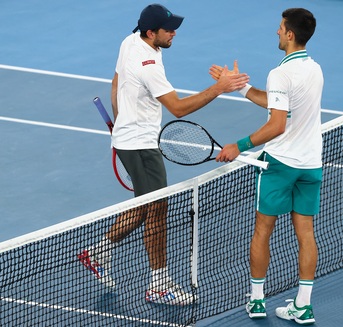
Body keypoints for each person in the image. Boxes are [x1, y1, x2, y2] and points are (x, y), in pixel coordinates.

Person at [78, 3, 249, 306]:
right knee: (156, 211)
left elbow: (116, 83)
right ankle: (158, 284)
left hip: (132, 138)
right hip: (141, 145)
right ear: (150, 32)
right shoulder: (149, 64)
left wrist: (120, 123)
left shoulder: (129, 41)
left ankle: (97, 252)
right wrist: (219, 88)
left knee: (145, 206)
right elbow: (179, 108)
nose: (174, 33)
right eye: (168, 29)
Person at [211, 8, 322, 324]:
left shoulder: (280, 73)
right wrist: (242, 88)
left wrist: (239, 146)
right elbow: (281, 104)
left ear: (289, 34)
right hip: (311, 165)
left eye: (280, 27)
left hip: (280, 166)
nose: (276, 31)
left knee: (263, 230)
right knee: (306, 234)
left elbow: (276, 125)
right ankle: (303, 306)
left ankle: (257, 301)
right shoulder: (315, 69)